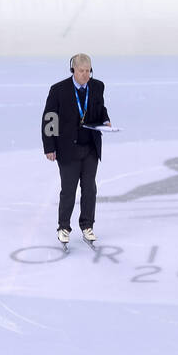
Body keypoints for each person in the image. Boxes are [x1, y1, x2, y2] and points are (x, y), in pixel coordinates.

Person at [41, 53, 112, 247]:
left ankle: (87, 225)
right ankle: (63, 227)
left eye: (88, 71)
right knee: (69, 191)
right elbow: (50, 119)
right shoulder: (58, 90)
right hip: (67, 150)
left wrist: (105, 120)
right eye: (82, 71)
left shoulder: (97, 87)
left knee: (90, 189)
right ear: (73, 70)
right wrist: (49, 146)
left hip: (90, 147)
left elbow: (100, 108)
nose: (85, 75)